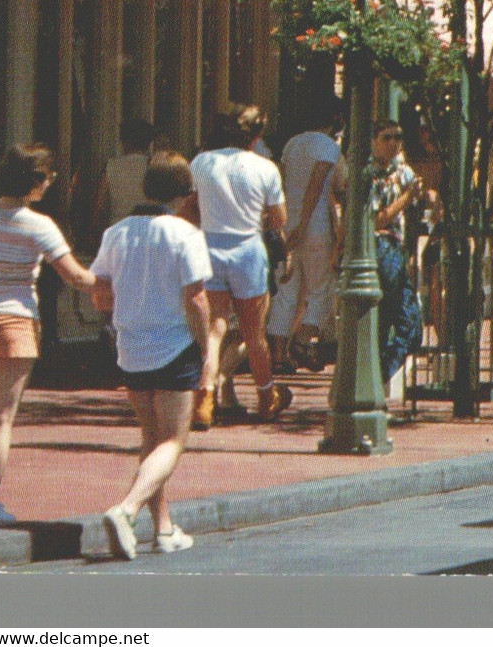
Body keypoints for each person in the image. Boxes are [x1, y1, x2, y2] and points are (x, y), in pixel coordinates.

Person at [89, 152, 213, 560]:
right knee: (173, 441)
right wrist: (206, 348)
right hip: (174, 346)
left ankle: (163, 529)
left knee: (152, 440)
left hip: (132, 346)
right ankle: (126, 510)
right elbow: (195, 299)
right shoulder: (184, 234)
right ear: (185, 193)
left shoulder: (117, 232)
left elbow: (100, 292)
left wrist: (123, 314)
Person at [0, 145, 98, 526]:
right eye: (48, 178)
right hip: (13, 322)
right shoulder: (38, 224)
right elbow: (76, 277)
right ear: (36, 182)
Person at [189, 103, 290, 429]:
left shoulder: (202, 162)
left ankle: (205, 396)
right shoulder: (265, 168)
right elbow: (279, 219)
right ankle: (265, 396)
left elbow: (192, 206)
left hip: (210, 247)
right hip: (247, 248)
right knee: (253, 331)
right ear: (257, 134)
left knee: (215, 327)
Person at [272, 97, 342, 373]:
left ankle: (278, 354)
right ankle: (301, 342)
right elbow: (317, 183)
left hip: (289, 222)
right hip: (315, 227)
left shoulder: (292, 144)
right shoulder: (328, 147)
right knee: (320, 288)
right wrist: (304, 222)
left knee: (287, 290)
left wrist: (291, 224)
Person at [364, 122, 424, 386]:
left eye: (398, 137)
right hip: (380, 248)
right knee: (387, 319)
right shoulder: (369, 173)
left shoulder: (403, 171)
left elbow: (419, 196)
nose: (393, 142)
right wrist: (407, 197)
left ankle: (382, 375)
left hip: (397, 249)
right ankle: (377, 380)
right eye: (387, 137)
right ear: (374, 140)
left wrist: (427, 197)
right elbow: (377, 220)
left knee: (411, 325)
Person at [95, 118, 156, 231]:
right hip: (147, 232)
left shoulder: (110, 166)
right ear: (148, 143)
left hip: (118, 231)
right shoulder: (155, 167)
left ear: (124, 141)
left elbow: (100, 206)